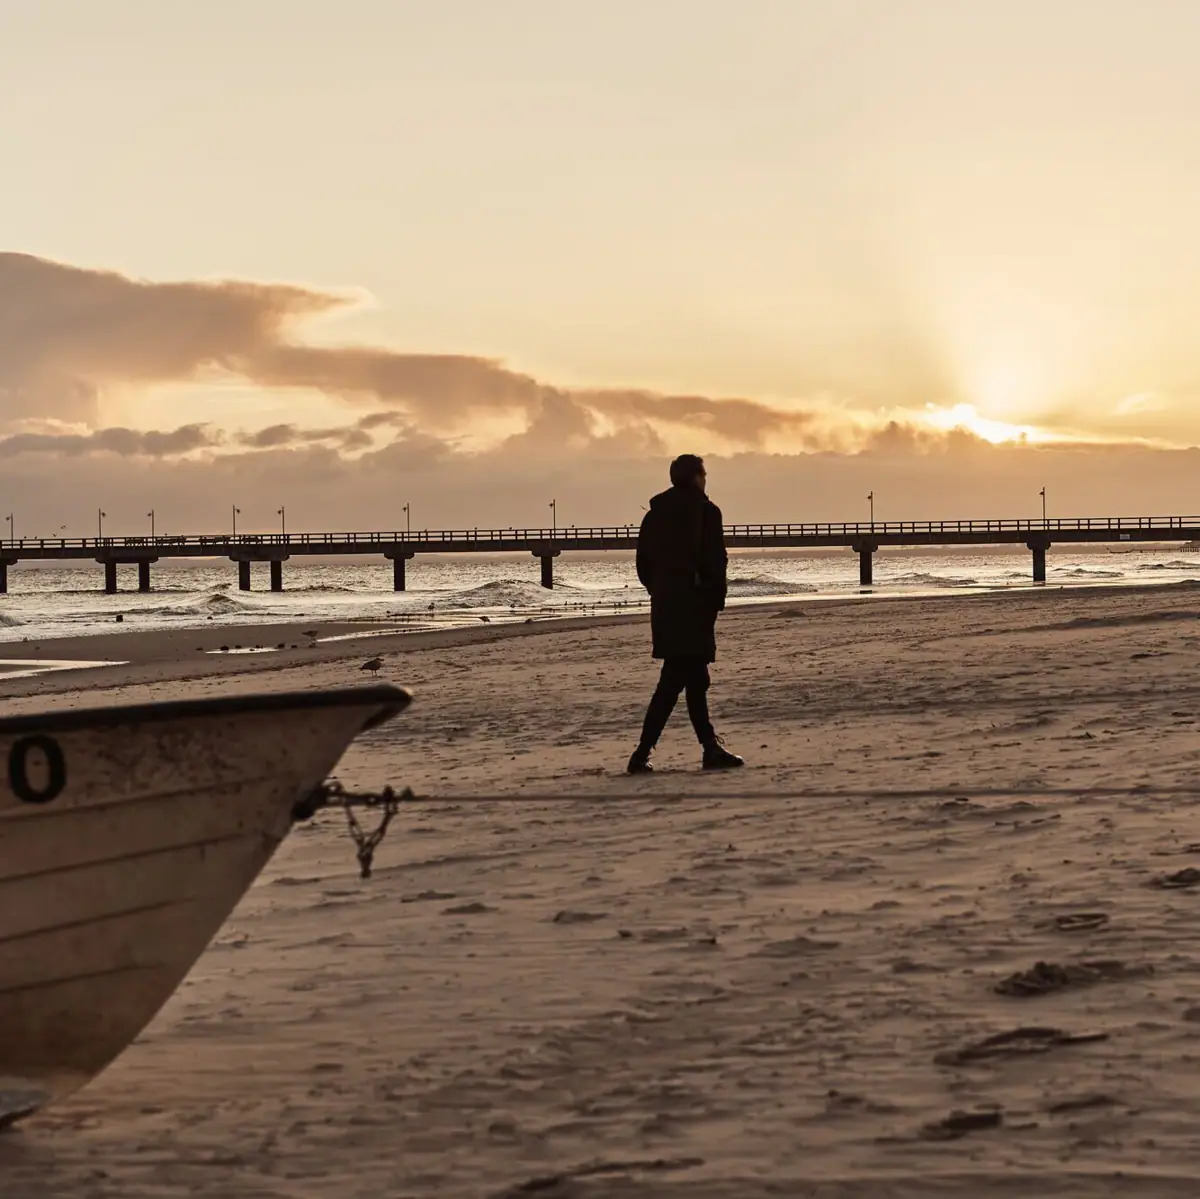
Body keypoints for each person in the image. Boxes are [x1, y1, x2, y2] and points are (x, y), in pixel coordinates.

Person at [627, 454, 744, 773]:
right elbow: (716, 562)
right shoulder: (706, 512)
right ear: (695, 477)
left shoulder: (654, 515)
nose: (706, 480)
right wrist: (714, 600)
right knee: (675, 680)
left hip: (666, 607)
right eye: (703, 474)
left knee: (694, 678)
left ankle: (709, 748)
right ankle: (641, 754)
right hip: (695, 606)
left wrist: (661, 591)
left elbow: (643, 565)